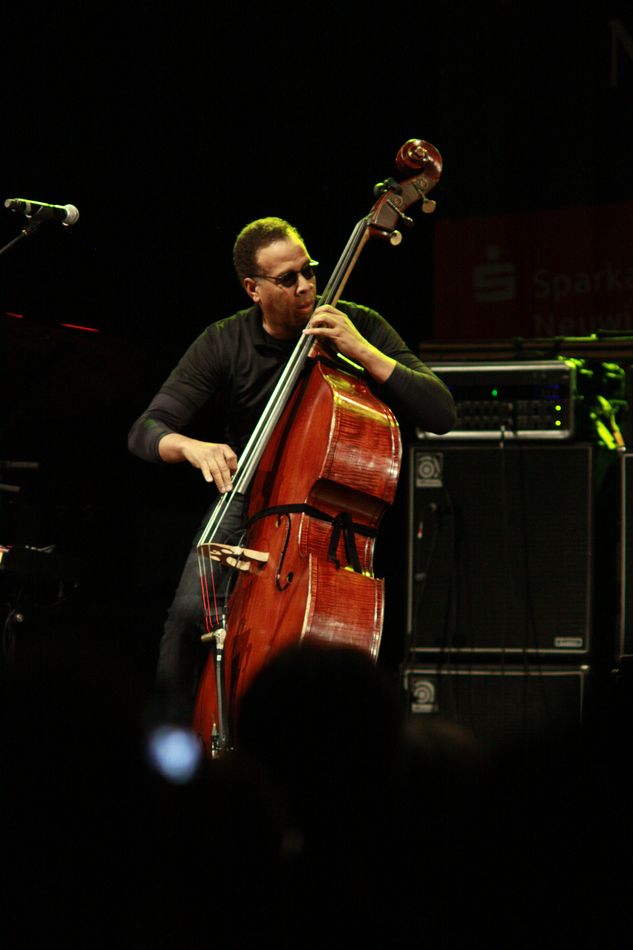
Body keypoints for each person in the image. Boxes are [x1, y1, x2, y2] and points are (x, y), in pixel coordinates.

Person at [128, 216, 456, 720]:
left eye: (309, 271)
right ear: (253, 289)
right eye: (287, 279)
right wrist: (191, 447)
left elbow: (441, 413)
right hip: (249, 501)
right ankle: (174, 750)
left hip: (328, 522)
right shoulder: (225, 341)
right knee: (190, 617)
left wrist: (363, 352)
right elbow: (147, 428)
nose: (305, 287)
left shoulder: (356, 323)